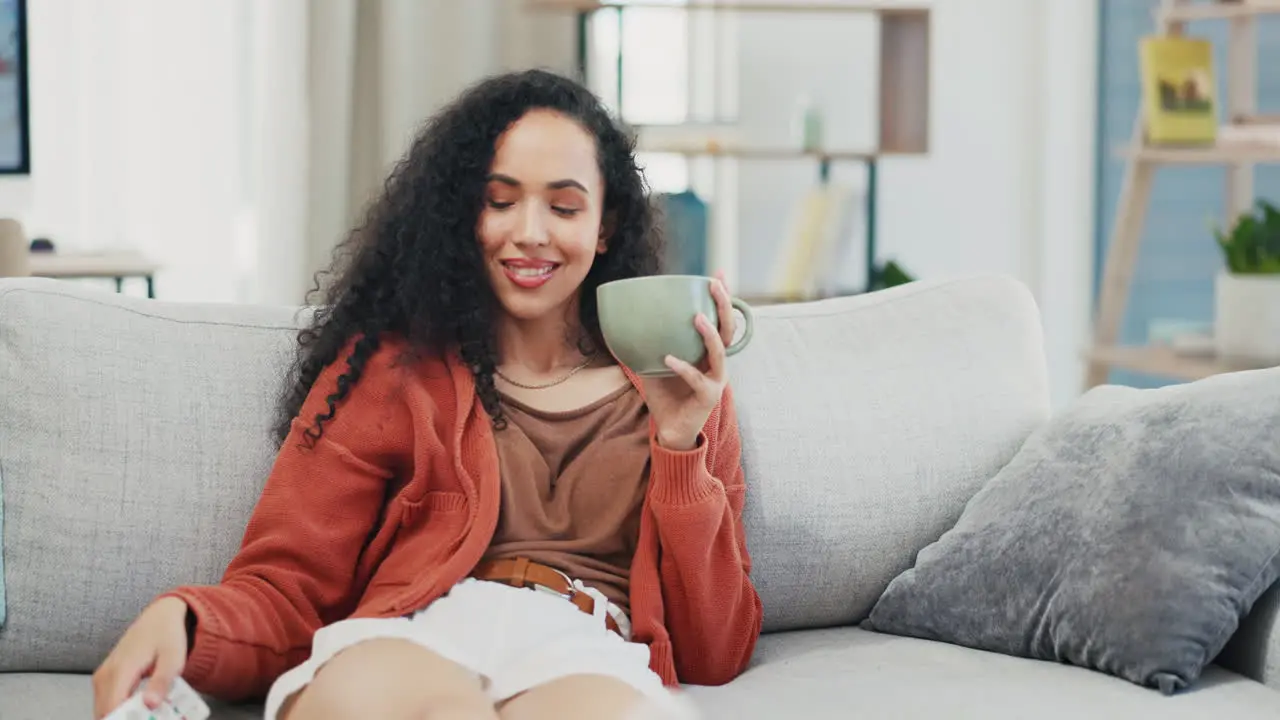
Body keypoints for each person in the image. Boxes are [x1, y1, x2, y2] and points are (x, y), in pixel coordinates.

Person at [90, 68, 761, 720]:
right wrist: (184, 616)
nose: (530, 231)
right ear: (460, 214)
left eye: (563, 206)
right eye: (499, 201)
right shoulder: (389, 371)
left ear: (604, 225)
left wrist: (680, 446)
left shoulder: (681, 387)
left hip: (585, 649)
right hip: (414, 632)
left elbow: (713, 649)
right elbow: (287, 588)